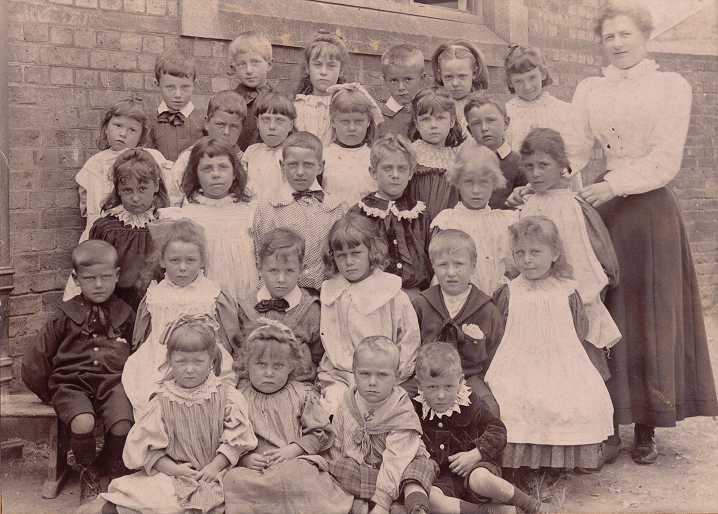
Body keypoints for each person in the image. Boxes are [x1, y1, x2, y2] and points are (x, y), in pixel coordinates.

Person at [573, 0, 718, 467]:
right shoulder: (591, 88)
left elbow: (666, 158)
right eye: (609, 36)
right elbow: (575, 150)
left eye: (625, 35)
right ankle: (607, 422)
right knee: (607, 310)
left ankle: (648, 425)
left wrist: (612, 184)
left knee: (649, 312)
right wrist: (561, 186)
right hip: (605, 210)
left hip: (651, 209)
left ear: (645, 37)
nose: (616, 44)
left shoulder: (671, 86)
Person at [78, 314, 258, 514]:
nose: (190, 370)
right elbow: (147, 448)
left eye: (198, 361)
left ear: (212, 359)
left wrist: (215, 467)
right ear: (170, 360)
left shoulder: (227, 396)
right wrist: (175, 470)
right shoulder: (162, 400)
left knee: (235, 499)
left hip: (217, 473)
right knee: (140, 500)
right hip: (174, 474)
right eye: (181, 362)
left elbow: (237, 439)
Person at [484, 217, 614, 478]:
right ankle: (519, 467)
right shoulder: (509, 291)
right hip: (516, 360)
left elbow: (578, 330)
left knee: (570, 396)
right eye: (519, 253)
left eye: (535, 252)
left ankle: (555, 465)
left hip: (558, 359)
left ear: (555, 254)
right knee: (512, 396)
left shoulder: (565, 291)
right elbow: (498, 332)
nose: (527, 260)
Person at [22, 240, 135, 503]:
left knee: (122, 424)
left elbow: (140, 352)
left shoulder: (125, 313)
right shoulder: (64, 314)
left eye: (106, 277)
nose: (98, 284)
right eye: (90, 278)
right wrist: (50, 394)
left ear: (117, 275)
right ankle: (88, 472)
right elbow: (35, 360)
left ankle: (115, 470)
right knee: (83, 422)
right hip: (71, 384)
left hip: (113, 383)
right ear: (76, 278)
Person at [223, 320, 354, 514]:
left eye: (278, 366)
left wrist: (294, 449)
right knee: (234, 482)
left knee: (300, 474)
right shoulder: (238, 397)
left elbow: (320, 432)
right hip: (256, 468)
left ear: (291, 366)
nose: (269, 373)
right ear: (247, 364)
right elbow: (230, 437)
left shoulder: (302, 394)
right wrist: (246, 459)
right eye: (261, 364)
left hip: (293, 461)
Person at [414, 343, 555, 514]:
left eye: (448, 386)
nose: (441, 395)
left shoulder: (470, 404)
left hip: (476, 469)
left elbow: (498, 431)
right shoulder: (415, 410)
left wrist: (477, 453)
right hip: (442, 481)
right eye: (432, 387)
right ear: (419, 384)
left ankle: (531, 505)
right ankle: (488, 511)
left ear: (460, 382)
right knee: (430, 499)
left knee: (480, 479)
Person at [122, 219, 238, 418]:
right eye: (175, 260)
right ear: (162, 261)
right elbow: (142, 334)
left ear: (202, 261)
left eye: (190, 260)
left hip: (203, 356)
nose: (182, 267)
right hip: (160, 356)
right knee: (153, 397)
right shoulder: (155, 295)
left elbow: (231, 336)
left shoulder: (211, 293)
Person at [518, 128, 620, 352]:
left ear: (561, 166)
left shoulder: (569, 207)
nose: (535, 173)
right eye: (529, 166)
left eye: (543, 165)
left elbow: (578, 259)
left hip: (564, 298)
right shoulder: (529, 204)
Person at [62, 98, 170, 302]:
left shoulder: (151, 157)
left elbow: (164, 189)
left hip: (140, 227)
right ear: (106, 127)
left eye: (132, 130)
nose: (122, 133)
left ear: (141, 136)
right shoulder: (95, 163)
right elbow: (85, 204)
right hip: (104, 231)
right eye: (117, 126)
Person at [318, 216, 421, 416]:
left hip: (382, 378)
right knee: (334, 410)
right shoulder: (331, 291)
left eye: (356, 253)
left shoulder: (390, 292)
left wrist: (394, 375)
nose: (349, 262)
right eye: (341, 256)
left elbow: (409, 339)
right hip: (339, 376)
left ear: (371, 252)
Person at [328, 336, 438, 514]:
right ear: (354, 372)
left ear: (396, 377)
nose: (372, 381)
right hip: (365, 472)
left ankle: (414, 507)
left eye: (382, 375)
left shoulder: (400, 410)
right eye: (364, 374)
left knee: (417, 470)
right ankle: (372, 502)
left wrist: (382, 502)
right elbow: (337, 441)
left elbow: (396, 459)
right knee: (338, 469)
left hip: (399, 468)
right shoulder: (348, 402)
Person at [410, 230, 504, 416]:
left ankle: (475, 446)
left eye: (459, 264)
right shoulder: (422, 304)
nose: (451, 272)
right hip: (428, 378)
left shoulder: (486, 309)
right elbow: (411, 348)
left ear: (473, 265)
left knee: (489, 409)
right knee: (399, 399)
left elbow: (496, 355)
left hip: (469, 377)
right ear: (433, 267)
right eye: (443, 265)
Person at [160, 137, 257, 302]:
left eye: (223, 167)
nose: (216, 174)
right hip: (206, 295)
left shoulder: (249, 209)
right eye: (206, 168)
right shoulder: (188, 215)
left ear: (234, 172)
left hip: (245, 291)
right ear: (195, 173)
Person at [252, 131, 344, 293]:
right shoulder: (268, 207)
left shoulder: (335, 207)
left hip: (325, 292)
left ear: (320, 167)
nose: (300, 171)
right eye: (293, 164)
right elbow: (261, 256)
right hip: (282, 292)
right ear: (282, 165)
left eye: (308, 164)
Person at [348, 134, 433, 298]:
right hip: (372, 294)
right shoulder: (359, 212)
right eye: (387, 168)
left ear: (410, 173)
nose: (395, 175)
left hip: (414, 295)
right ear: (373, 172)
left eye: (402, 168)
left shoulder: (420, 214)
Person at [236, 227, 323, 383]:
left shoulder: (311, 309)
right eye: (274, 271)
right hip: (256, 385)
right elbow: (239, 350)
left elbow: (317, 355)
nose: (281, 279)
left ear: (301, 270)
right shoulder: (246, 306)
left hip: (299, 385)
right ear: (260, 269)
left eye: (289, 271)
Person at [88, 149, 169, 311]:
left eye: (143, 189)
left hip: (157, 305)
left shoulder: (165, 224)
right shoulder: (107, 228)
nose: (136, 198)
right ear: (117, 189)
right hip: (115, 307)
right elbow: (94, 270)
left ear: (156, 186)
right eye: (127, 190)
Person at [432, 144, 518, 296]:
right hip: (459, 298)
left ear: (494, 184)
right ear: (457, 182)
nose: (476, 190)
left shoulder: (505, 221)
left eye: (483, 183)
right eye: (468, 182)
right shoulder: (448, 220)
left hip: (498, 297)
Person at [503, 44, 588, 191]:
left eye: (532, 78)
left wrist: (560, 177)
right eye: (519, 81)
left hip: (558, 185)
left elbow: (574, 154)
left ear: (542, 74)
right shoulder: (506, 113)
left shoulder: (563, 111)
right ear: (510, 81)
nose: (527, 86)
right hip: (520, 188)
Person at [167, 90, 247, 206]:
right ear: (207, 123)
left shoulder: (246, 160)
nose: (226, 132)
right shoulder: (187, 158)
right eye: (220, 124)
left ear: (241, 128)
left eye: (234, 126)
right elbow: (173, 198)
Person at [321, 83, 382, 211]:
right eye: (345, 121)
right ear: (333, 122)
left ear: (368, 122)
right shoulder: (324, 155)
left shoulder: (375, 155)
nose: (352, 128)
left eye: (358, 121)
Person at [407, 87, 465, 220]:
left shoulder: (455, 156)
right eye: (426, 119)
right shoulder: (412, 152)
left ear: (452, 121)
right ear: (416, 123)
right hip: (418, 221)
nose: (433, 125)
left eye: (440, 118)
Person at [463, 93, 527, 209]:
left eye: (491, 120)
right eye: (476, 123)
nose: (484, 128)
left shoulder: (520, 163)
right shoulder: (467, 162)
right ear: (470, 130)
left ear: (506, 123)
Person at [294, 32, 349, 146]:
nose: (323, 72)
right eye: (317, 65)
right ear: (308, 68)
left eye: (331, 66)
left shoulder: (346, 105)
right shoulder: (297, 105)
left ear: (341, 70)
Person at [149, 49, 205, 161]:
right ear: (157, 84)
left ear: (194, 85)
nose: (178, 94)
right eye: (170, 87)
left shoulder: (204, 119)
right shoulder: (149, 120)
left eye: (185, 87)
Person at [242, 91, 297, 203]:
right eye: (266, 120)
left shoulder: (294, 153)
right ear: (257, 123)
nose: (272, 126)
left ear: (290, 125)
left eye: (279, 120)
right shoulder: (251, 152)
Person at [430, 40, 489, 134]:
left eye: (462, 76)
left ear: (474, 73)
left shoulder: (485, 105)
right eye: (448, 77)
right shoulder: (434, 104)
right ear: (440, 75)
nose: (455, 83)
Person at [229, 30, 275, 151]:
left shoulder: (279, 101)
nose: (249, 70)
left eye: (255, 62)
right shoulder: (228, 101)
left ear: (269, 64)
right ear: (234, 69)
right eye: (242, 64)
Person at [376, 44, 426, 139]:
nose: (401, 87)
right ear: (385, 80)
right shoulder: (379, 118)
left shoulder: (428, 111)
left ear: (421, 78)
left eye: (408, 79)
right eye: (394, 80)